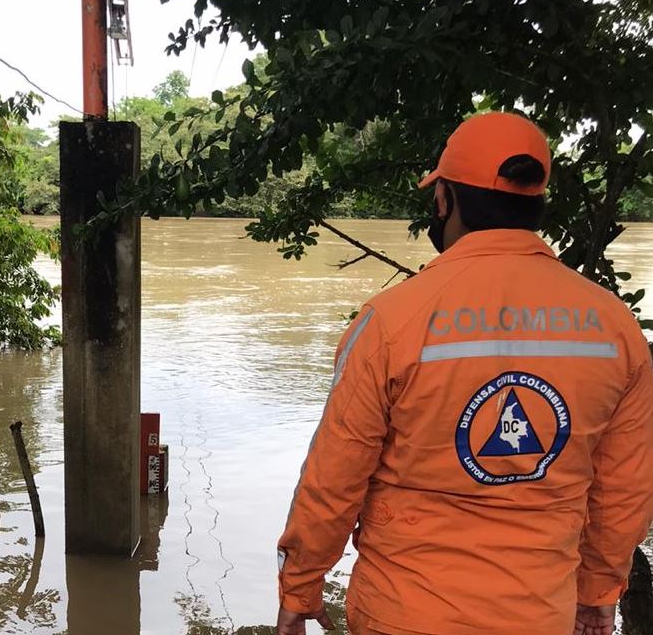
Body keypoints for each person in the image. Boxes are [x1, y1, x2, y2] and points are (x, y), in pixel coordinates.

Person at [275, 112, 653, 635]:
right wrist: (596, 594)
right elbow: (623, 490)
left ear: (446, 200)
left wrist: (300, 587)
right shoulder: (614, 328)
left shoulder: (391, 321)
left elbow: (334, 475)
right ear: (535, 203)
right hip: (541, 612)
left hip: (405, 612)